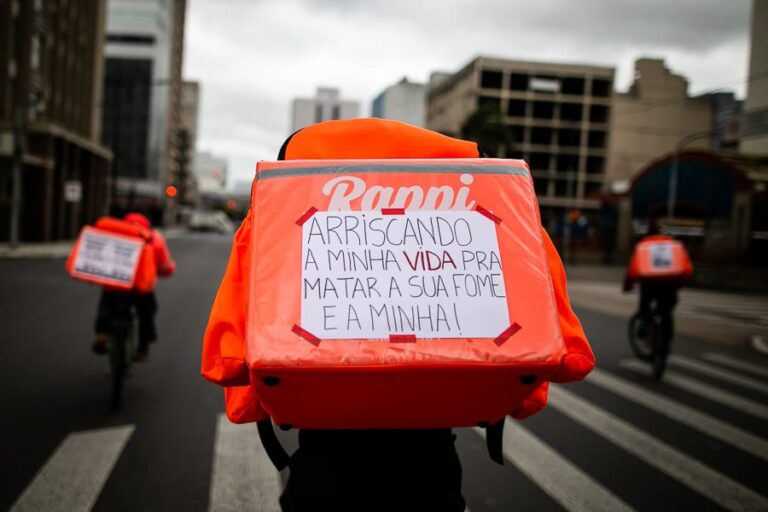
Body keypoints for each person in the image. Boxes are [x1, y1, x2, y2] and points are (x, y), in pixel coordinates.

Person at [92, 212, 176, 361]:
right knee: (147, 313)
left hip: (115, 285)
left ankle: (102, 334)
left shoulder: (114, 234)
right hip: (140, 289)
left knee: (105, 305)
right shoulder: (154, 239)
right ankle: (143, 348)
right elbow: (166, 267)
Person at [623, 219, 693, 344]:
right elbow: (687, 270)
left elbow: (633, 272)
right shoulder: (673, 245)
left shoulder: (643, 246)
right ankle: (664, 345)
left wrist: (627, 286)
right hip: (670, 285)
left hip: (649, 285)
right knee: (666, 311)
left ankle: (645, 326)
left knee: (645, 309)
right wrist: (680, 284)